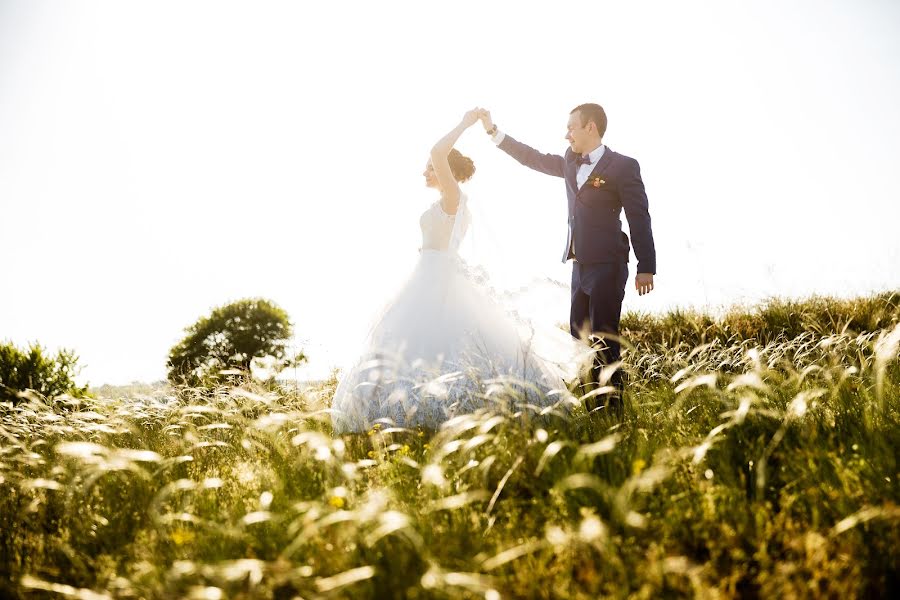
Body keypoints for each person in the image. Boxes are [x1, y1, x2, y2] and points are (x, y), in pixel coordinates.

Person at [330, 109, 581, 434]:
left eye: (431, 168)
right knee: (415, 343)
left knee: (440, 341)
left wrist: (465, 123)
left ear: (446, 170)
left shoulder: (454, 199)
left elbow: (438, 151)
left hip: (438, 278)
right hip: (428, 274)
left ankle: (441, 413)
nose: (425, 171)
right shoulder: (446, 203)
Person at [477, 104, 656, 415]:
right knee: (579, 337)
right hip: (579, 265)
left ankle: (613, 413)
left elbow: (639, 217)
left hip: (609, 264)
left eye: (571, 126)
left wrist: (646, 267)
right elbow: (531, 157)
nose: (566, 133)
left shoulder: (624, 166)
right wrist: (494, 132)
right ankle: (591, 410)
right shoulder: (570, 162)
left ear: (591, 127)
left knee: (604, 338)